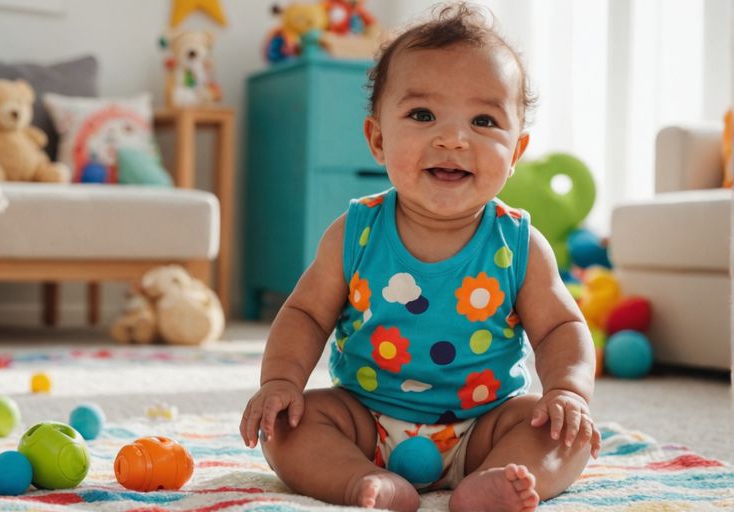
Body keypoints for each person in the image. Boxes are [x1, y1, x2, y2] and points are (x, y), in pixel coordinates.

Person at [239, 3, 601, 511]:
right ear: (378, 139)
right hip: (365, 419)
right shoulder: (355, 233)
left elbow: (561, 328)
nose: (453, 138)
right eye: (422, 115)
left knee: (565, 435)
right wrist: (281, 382)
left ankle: (491, 482)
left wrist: (567, 391)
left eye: (483, 120)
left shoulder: (517, 242)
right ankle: (362, 482)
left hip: (485, 426)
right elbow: (304, 313)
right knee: (288, 428)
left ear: (515, 153)